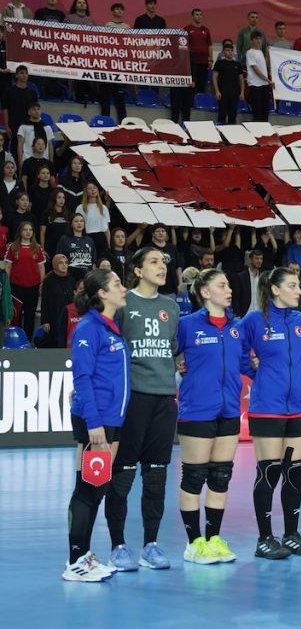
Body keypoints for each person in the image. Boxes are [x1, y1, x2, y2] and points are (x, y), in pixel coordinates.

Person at [103, 248, 180, 572]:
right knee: (122, 476)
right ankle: (118, 546)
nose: (161, 266)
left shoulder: (171, 307)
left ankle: (151, 544)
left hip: (164, 398)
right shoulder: (125, 304)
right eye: (153, 261)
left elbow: (173, 349)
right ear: (136, 270)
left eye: (163, 262)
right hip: (132, 398)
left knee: (157, 476)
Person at [240, 267, 301, 558]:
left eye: (299, 285)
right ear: (274, 289)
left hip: (297, 406)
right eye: (292, 285)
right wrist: (253, 371)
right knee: (270, 472)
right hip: (268, 408)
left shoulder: (300, 320)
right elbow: (237, 350)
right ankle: (264, 538)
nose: (299, 291)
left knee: (295, 473)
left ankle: (291, 534)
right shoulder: (254, 320)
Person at [174, 269, 243, 564]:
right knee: (194, 476)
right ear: (204, 292)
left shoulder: (237, 327)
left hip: (229, 409)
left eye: (227, 284)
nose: (229, 289)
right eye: (222, 285)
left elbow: (247, 362)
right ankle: (193, 543)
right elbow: (166, 354)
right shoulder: (187, 325)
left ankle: (213, 538)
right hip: (197, 410)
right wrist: (177, 363)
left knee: (220, 476)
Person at [64, 268, 128, 582]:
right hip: (96, 422)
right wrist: (94, 422)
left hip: (109, 421)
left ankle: (84, 557)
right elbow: (82, 378)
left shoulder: (110, 328)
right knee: (87, 489)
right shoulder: (89, 328)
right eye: (117, 283)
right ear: (102, 293)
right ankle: (75, 560)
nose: (123, 287)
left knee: (97, 488)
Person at [4, 220, 45, 335]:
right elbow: (8, 267)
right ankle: (13, 340)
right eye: (25, 230)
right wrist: (7, 285)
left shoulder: (37, 248)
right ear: (20, 232)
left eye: (30, 230)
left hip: (33, 287)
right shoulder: (13, 247)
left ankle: (27, 341)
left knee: (30, 316)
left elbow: (41, 267)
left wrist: (41, 284)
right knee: (15, 316)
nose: (28, 232)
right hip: (16, 287)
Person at [212, 40, 245, 125]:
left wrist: (242, 92)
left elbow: (241, 79)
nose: (230, 52)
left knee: (233, 115)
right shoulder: (219, 63)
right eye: (227, 50)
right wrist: (217, 91)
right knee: (222, 113)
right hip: (223, 93)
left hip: (234, 93)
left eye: (231, 51)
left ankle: (232, 134)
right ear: (223, 52)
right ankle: (220, 133)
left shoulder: (237, 64)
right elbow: (214, 77)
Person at [246, 31, 273, 122]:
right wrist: (268, 80)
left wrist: (267, 53)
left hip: (264, 86)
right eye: (256, 39)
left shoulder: (260, 52)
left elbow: (265, 65)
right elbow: (256, 70)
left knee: (265, 112)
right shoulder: (250, 53)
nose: (258, 41)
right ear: (252, 40)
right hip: (255, 86)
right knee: (257, 113)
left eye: (260, 39)